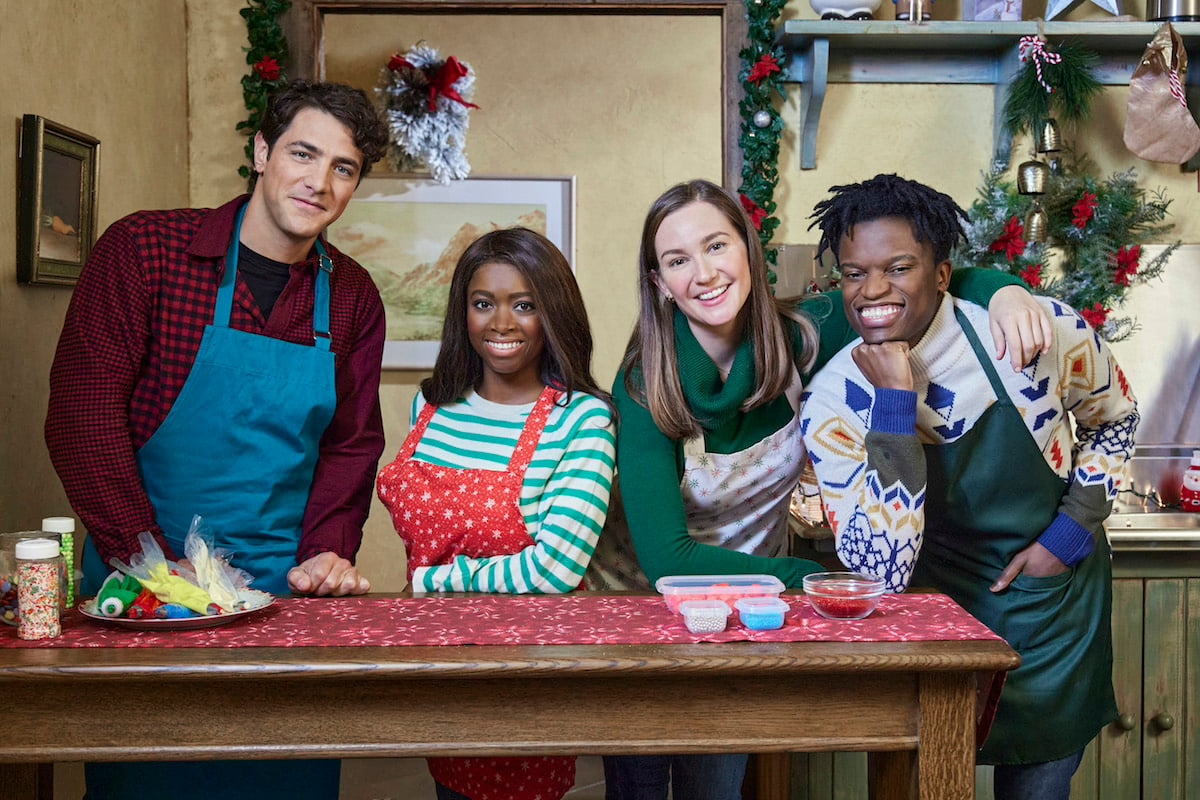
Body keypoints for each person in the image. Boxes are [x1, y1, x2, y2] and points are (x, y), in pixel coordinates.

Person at [583, 178, 1053, 800]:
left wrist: (1009, 291)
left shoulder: (805, 334)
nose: (704, 273)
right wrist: (812, 579)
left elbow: (920, 284)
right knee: (638, 788)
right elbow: (669, 559)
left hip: (744, 616)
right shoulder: (646, 382)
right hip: (641, 612)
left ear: (749, 252)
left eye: (716, 246)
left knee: (715, 786)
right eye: (677, 260)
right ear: (658, 282)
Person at [44, 80, 390, 800]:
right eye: (303, 153)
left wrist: (328, 550)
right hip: (141, 591)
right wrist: (152, 568)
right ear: (261, 152)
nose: (319, 182)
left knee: (283, 783)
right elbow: (83, 416)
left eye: (344, 167)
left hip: (278, 596)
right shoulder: (146, 250)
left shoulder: (352, 295)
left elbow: (351, 444)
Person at [801, 173, 1139, 800]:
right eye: (853, 273)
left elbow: (1115, 418)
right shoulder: (835, 398)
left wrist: (1067, 536)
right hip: (930, 612)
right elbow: (882, 568)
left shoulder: (1029, 336)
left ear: (942, 273)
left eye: (898, 267)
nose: (872, 290)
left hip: (1049, 608)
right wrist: (896, 404)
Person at [376, 227, 616, 799]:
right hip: (437, 663)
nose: (501, 323)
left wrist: (432, 582)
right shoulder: (431, 405)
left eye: (524, 305)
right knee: (449, 786)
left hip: (527, 672)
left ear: (553, 313)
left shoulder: (581, 419)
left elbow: (555, 571)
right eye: (483, 304)